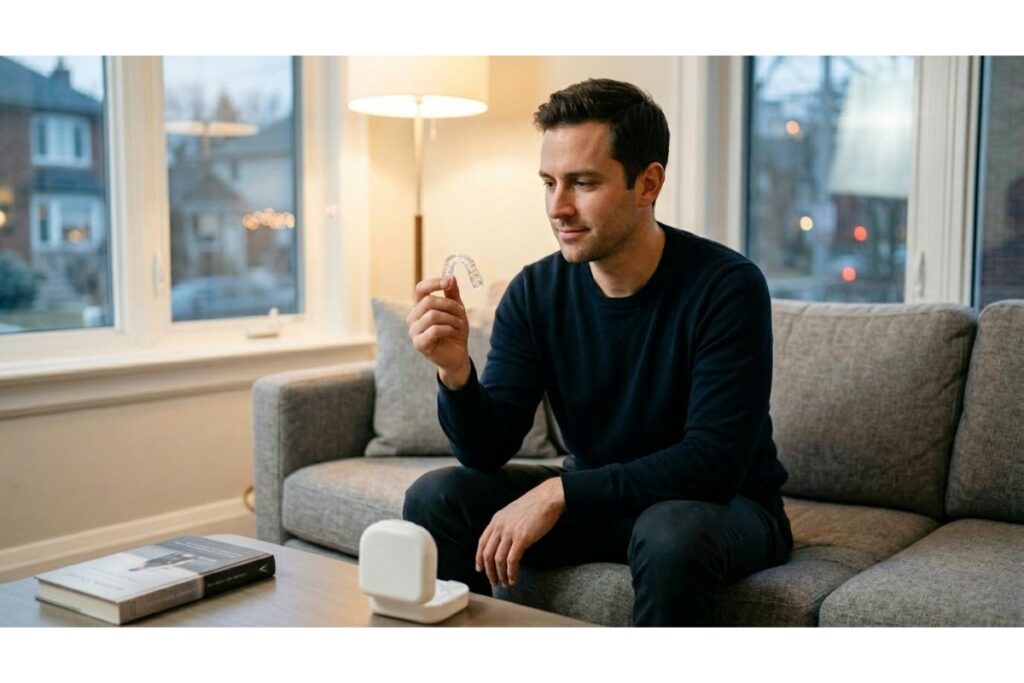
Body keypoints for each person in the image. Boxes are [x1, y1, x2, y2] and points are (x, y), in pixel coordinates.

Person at [402, 78, 792, 626]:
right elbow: (486, 450)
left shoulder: (727, 286)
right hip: (604, 501)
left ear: (647, 183)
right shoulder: (535, 293)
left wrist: (562, 493)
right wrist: (455, 372)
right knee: (437, 496)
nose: (558, 207)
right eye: (548, 182)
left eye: (582, 183)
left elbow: (714, 463)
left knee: (669, 532)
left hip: (724, 507)